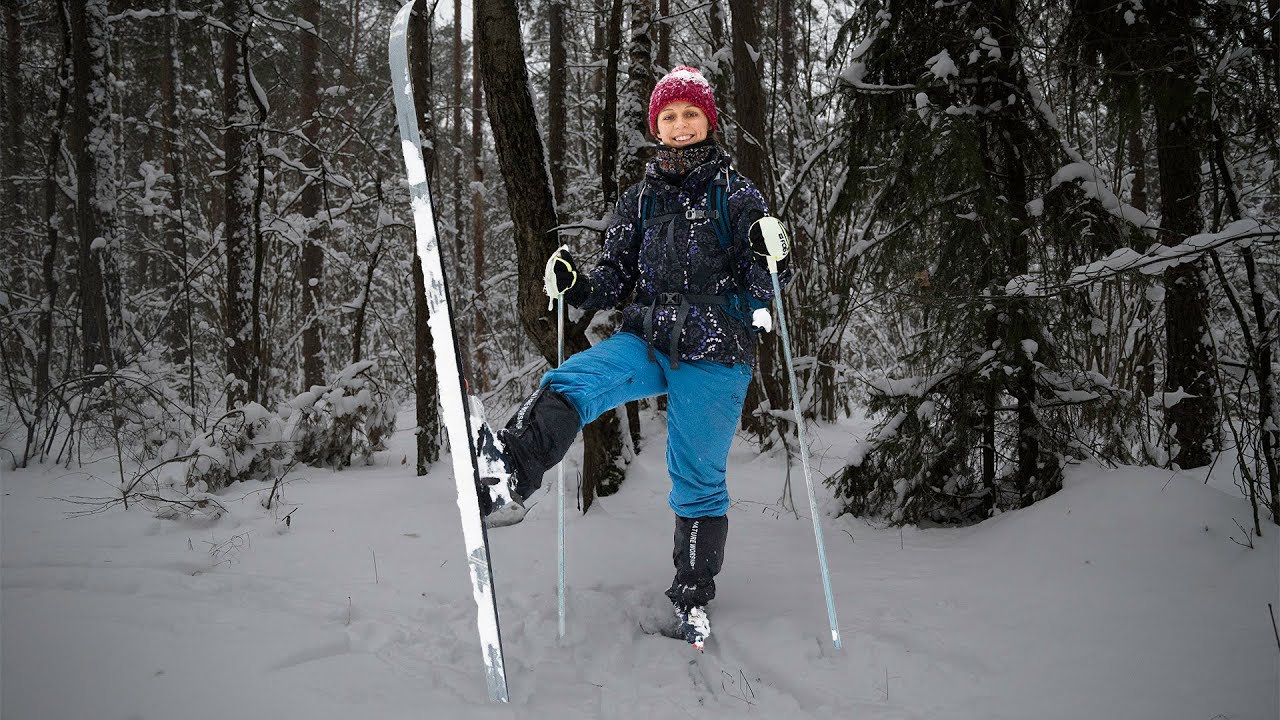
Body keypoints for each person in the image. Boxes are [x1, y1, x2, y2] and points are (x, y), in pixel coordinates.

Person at [477, 66, 793, 649]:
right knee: (573, 380)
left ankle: (693, 596)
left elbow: (763, 271)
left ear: (707, 121)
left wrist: (772, 258)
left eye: (690, 114)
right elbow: (614, 277)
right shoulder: (639, 199)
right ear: (657, 126)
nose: (679, 125)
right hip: (648, 333)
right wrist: (575, 284)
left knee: (696, 480)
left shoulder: (736, 193)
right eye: (669, 116)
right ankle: (509, 477)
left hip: (716, 346)